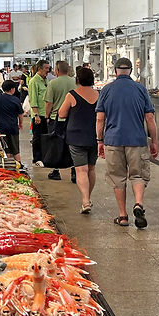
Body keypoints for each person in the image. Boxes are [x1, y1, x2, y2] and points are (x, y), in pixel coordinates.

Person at [96, 57, 158, 229]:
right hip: (137, 140)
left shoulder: (107, 90)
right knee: (138, 175)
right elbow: (150, 118)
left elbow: (100, 119)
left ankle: (123, 215)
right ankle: (138, 204)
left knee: (117, 178)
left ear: (115, 71)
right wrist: (154, 141)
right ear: (130, 71)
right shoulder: (140, 89)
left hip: (113, 140)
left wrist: (99, 141)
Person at [58, 68, 99, 213]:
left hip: (76, 136)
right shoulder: (98, 95)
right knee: (91, 168)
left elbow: (62, 114)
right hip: (94, 136)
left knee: (81, 170)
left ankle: (85, 201)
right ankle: (88, 197)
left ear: (78, 80)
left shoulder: (72, 95)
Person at [44, 61, 76, 181]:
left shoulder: (53, 83)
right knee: (71, 145)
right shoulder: (74, 83)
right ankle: (74, 171)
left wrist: (46, 116)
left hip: (55, 119)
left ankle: (56, 171)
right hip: (70, 119)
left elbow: (49, 103)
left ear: (57, 70)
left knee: (55, 145)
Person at [28, 59, 51, 166]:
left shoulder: (45, 80)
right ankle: (37, 158)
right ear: (40, 69)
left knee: (45, 137)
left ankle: (44, 157)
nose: (48, 70)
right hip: (38, 115)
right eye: (46, 68)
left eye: (48, 68)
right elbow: (33, 99)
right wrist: (36, 115)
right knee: (37, 137)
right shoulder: (34, 81)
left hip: (46, 114)